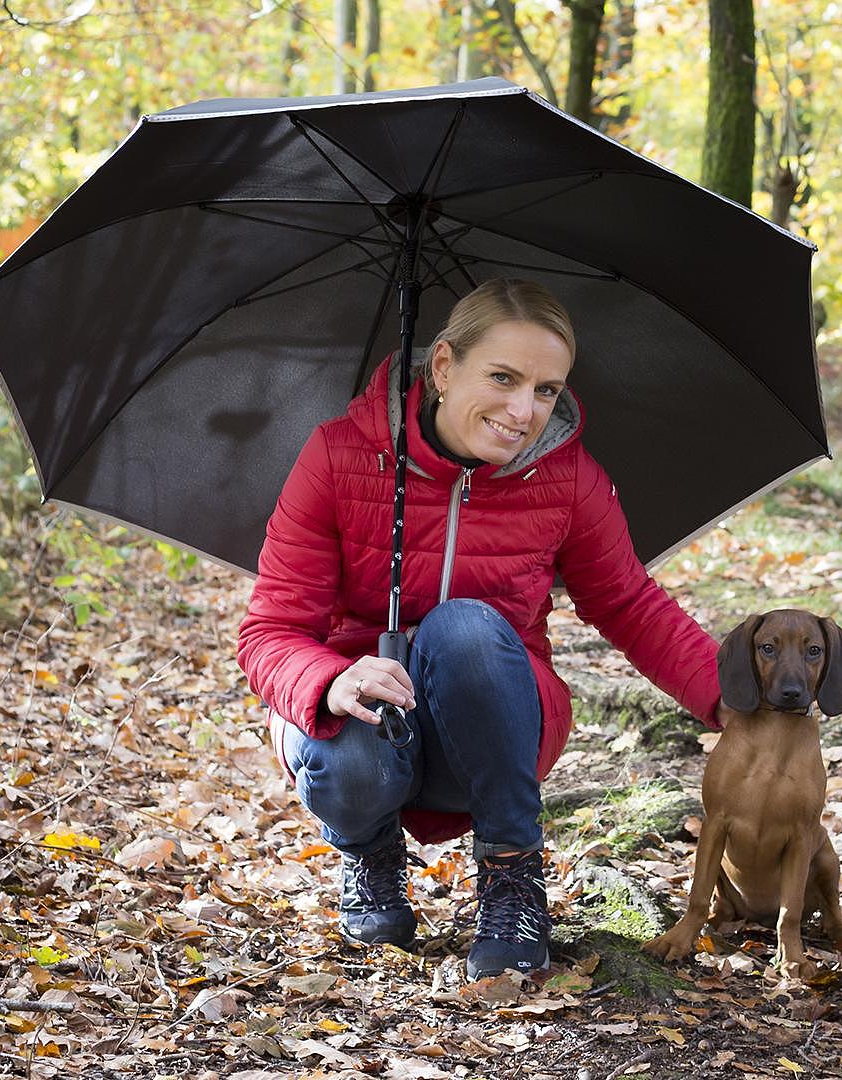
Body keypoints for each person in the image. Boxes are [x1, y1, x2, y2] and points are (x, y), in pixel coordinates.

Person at [236, 278, 724, 980]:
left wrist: (731, 699)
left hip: (495, 713)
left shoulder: (568, 479)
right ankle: (371, 854)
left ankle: (513, 880)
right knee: (346, 750)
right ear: (442, 367)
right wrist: (333, 677)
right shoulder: (341, 456)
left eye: (547, 390)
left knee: (464, 627)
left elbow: (628, 602)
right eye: (503, 377)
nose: (524, 410)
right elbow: (269, 632)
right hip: (364, 725)